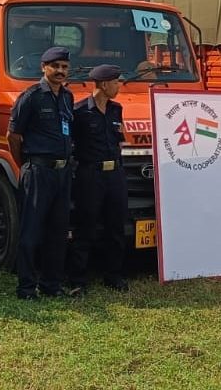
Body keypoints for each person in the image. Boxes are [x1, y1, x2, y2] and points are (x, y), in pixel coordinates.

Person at [8, 46, 77, 300]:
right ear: (43, 67)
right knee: (31, 232)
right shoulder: (31, 97)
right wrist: (27, 165)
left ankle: (51, 285)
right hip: (38, 171)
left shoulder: (67, 97)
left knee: (58, 232)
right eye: (55, 66)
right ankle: (26, 288)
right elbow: (13, 136)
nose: (60, 71)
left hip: (62, 173)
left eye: (64, 67)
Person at [66, 64, 129, 295]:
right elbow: (71, 145)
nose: (119, 86)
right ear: (103, 85)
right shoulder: (80, 112)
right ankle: (78, 280)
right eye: (116, 82)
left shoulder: (116, 110)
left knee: (116, 225)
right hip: (90, 174)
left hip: (115, 174)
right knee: (86, 226)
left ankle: (113, 275)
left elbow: (120, 139)